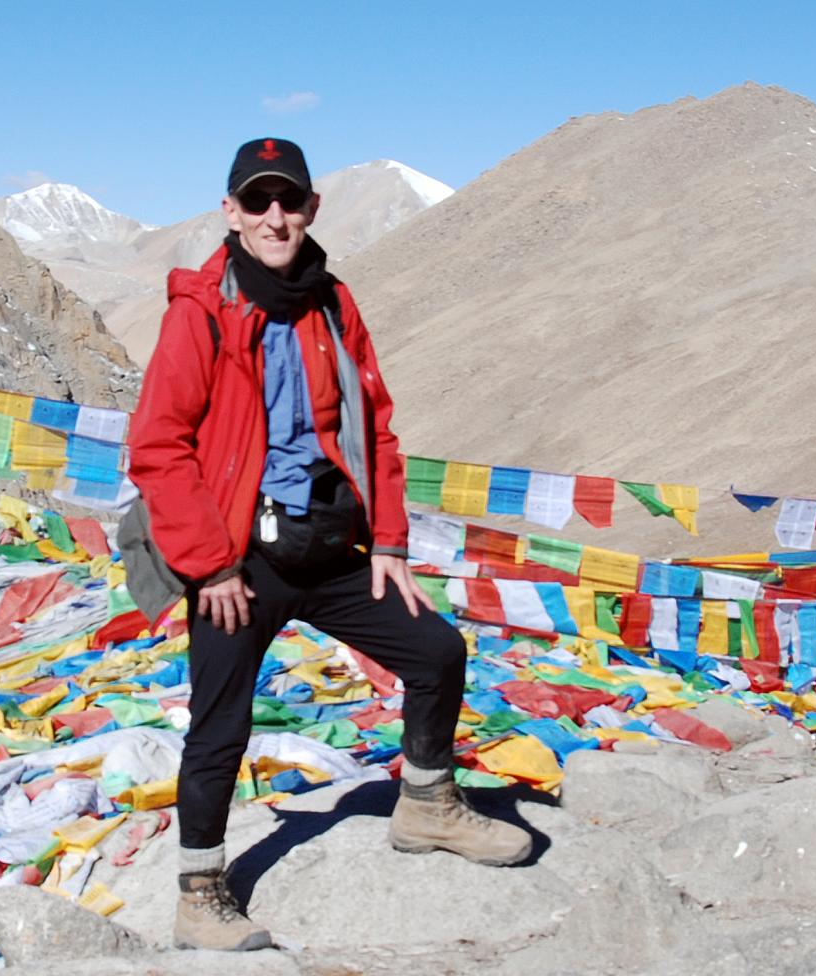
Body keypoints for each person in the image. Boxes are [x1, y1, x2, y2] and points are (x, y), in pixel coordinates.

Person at [124, 137, 531, 953]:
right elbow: (159, 446)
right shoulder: (201, 311)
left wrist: (387, 542)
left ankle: (425, 805)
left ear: (311, 210)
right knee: (220, 723)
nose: (276, 217)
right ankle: (200, 894)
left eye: (290, 201)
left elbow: (373, 425)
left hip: (329, 542)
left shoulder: (333, 304)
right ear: (231, 212)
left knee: (436, 650)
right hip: (241, 558)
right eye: (259, 201)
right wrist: (210, 565)